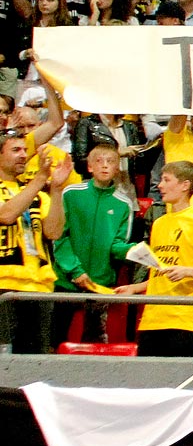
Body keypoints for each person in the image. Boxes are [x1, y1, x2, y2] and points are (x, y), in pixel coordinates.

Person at [117, 161, 193, 357]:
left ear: (185, 185)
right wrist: (135, 288)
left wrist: (186, 271)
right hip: (153, 318)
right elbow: (162, 273)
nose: (159, 185)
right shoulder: (159, 223)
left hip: (185, 320)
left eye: (166, 180)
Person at [52, 144, 137, 342]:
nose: (105, 166)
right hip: (66, 279)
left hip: (99, 283)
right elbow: (59, 236)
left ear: (118, 168)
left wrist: (134, 250)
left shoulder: (123, 204)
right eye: (99, 161)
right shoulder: (71, 193)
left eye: (111, 162)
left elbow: (117, 244)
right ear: (89, 167)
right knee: (56, 336)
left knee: (95, 338)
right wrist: (75, 271)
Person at [0, 136, 73, 353]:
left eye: (25, 150)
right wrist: (41, 178)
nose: (24, 155)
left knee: (34, 359)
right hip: (4, 287)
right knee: (5, 361)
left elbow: (54, 231)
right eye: (15, 150)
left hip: (38, 288)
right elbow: (7, 215)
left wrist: (57, 190)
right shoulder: (35, 187)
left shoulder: (37, 194)